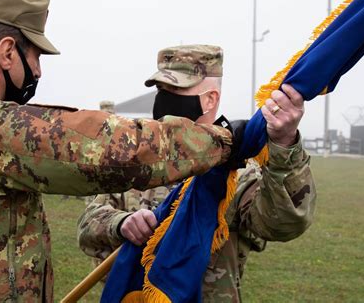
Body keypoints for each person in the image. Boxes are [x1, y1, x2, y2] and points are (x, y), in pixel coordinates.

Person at [0, 0, 243, 301]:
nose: (39, 71)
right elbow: (114, 151)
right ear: (7, 52)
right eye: (36, 57)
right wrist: (223, 140)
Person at [77, 45, 316, 302]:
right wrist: (121, 224)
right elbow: (88, 224)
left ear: (210, 99)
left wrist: (284, 146)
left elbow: (283, 224)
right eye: (161, 90)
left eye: (177, 90)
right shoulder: (137, 159)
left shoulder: (237, 174)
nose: (165, 100)